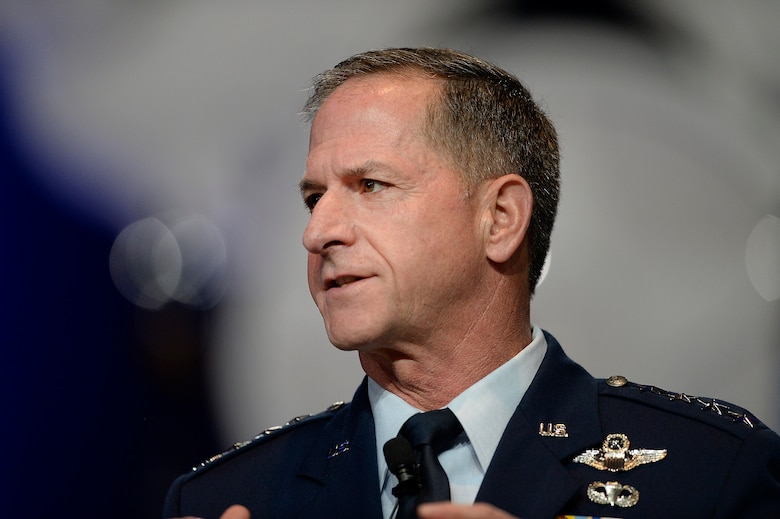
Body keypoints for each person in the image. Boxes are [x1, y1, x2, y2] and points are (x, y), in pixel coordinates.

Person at [163, 47, 780, 519]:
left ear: (500, 219)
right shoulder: (226, 497)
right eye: (314, 197)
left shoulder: (713, 473)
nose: (318, 231)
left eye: (370, 186)